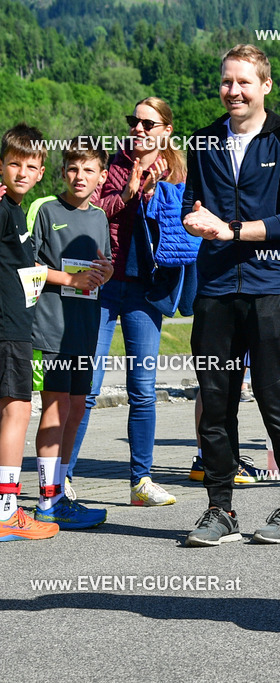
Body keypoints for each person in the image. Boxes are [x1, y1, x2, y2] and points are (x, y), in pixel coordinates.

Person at [181, 44, 280, 546]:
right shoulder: (203, 141)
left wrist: (230, 229)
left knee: (276, 399)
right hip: (215, 289)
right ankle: (220, 510)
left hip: (270, 288)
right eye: (226, 82)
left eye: (243, 82)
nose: (233, 91)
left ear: (265, 86)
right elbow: (193, 211)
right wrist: (194, 221)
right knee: (215, 401)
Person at [69, 97, 185, 507]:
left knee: (143, 389)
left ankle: (141, 482)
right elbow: (91, 206)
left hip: (146, 288)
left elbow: (187, 220)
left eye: (147, 123)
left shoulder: (177, 169)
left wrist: (160, 199)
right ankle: (61, 479)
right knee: (86, 387)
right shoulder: (113, 163)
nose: (138, 128)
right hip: (104, 283)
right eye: (133, 121)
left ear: (165, 130)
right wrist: (130, 194)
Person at [30, 137, 114, 530]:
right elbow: (26, 266)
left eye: (89, 170)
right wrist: (70, 279)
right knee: (56, 407)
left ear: (102, 175)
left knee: (78, 409)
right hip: (51, 327)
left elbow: (103, 265)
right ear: (63, 171)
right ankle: (46, 500)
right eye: (73, 168)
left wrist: (106, 273)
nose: (80, 176)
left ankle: (60, 493)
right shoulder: (45, 209)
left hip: (86, 326)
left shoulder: (99, 217)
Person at [0, 123, 60, 541]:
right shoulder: (3, 208)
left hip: (17, 325)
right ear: (1, 166)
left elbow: (27, 273)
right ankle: (7, 511)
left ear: (41, 172)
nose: (21, 172)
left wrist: (75, 281)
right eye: (13, 163)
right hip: (7, 329)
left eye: (30, 166)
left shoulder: (18, 211)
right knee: (17, 411)